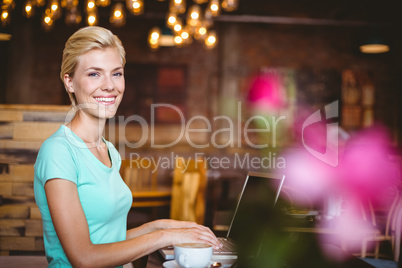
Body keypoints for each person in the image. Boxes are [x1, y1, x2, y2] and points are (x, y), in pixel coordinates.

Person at [34, 26, 221, 268]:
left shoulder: (109, 151)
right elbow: (85, 257)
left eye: (117, 73)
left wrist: (160, 225)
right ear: (69, 82)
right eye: (94, 74)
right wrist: (165, 237)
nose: (110, 85)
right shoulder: (58, 151)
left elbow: (108, 240)